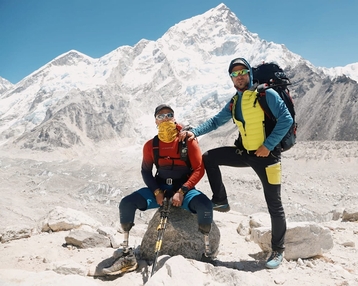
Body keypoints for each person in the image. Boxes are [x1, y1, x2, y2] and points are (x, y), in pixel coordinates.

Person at [180, 58, 293, 269]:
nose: (238, 76)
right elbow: (215, 121)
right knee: (209, 158)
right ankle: (221, 200)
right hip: (245, 153)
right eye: (234, 74)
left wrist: (268, 145)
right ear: (231, 79)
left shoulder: (266, 94)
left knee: (274, 205)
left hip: (268, 157)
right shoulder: (235, 101)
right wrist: (193, 132)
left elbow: (286, 120)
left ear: (250, 73)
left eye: (242, 72)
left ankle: (277, 250)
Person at [102, 104, 213, 275]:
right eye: (161, 116)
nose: (165, 118)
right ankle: (127, 256)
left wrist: (182, 191)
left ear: (174, 118)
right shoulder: (151, 146)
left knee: (205, 206)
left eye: (169, 115)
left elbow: (199, 169)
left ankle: (207, 254)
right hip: (160, 188)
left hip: (183, 191)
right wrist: (156, 192)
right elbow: (146, 171)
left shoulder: (188, 142)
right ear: (155, 121)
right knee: (126, 203)